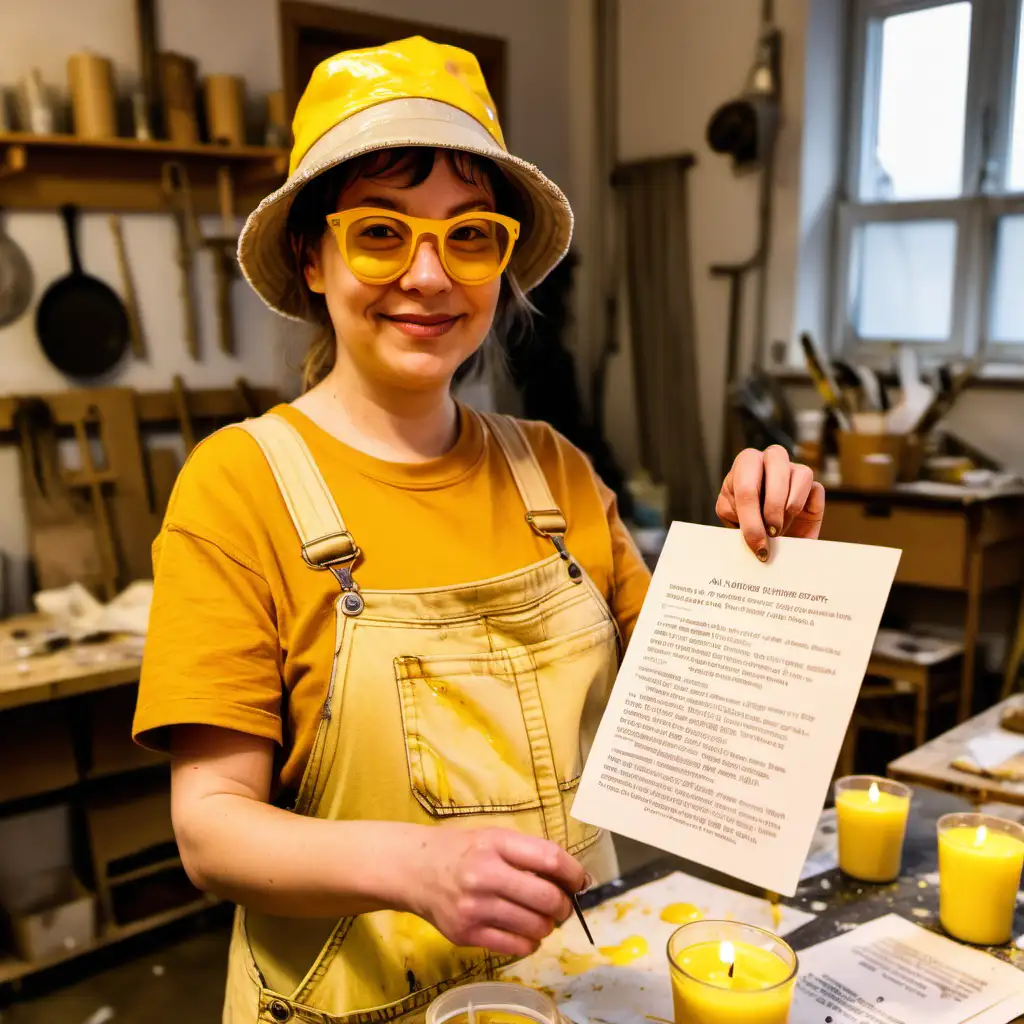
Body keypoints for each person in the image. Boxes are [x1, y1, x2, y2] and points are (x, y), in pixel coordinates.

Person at [133, 36, 825, 1023]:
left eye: (469, 237)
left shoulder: (555, 469)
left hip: (578, 987)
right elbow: (209, 833)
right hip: (356, 1005)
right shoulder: (238, 485)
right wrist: (413, 863)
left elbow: (704, 738)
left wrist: (776, 581)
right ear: (311, 253)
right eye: (380, 233)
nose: (428, 275)